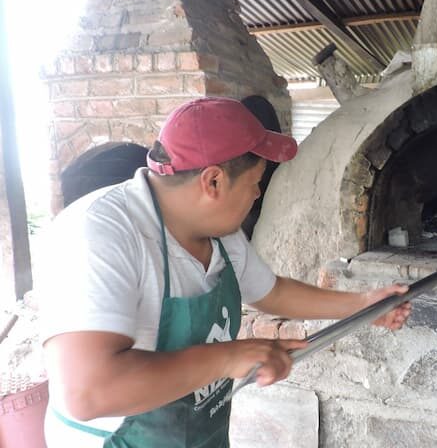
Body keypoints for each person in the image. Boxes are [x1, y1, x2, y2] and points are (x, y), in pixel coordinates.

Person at [39, 96, 411, 447]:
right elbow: (87, 392)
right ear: (213, 181)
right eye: (254, 184)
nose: (256, 196)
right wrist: (228, 357)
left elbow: (272, 292)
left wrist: (363, 304)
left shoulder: (219, 232)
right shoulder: (99, 233)